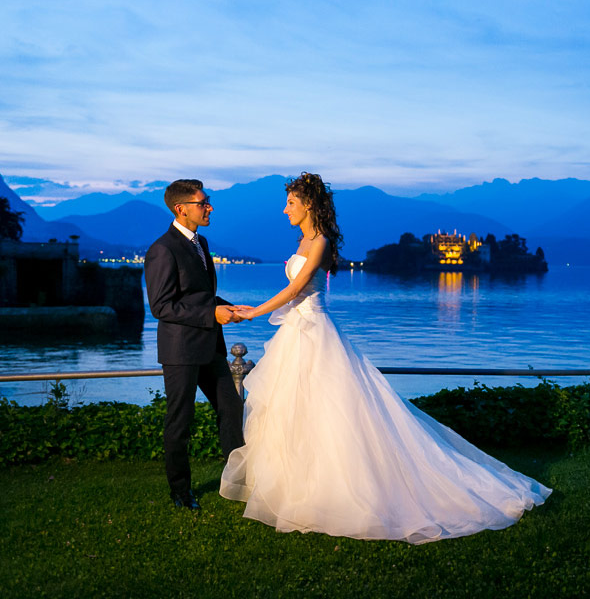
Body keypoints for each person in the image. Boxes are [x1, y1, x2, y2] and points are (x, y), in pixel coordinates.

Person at [220, 173, 551, 544]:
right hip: (296, 332)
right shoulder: (302, 240)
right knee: (295, 408)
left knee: (334, 410)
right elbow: (293, 290)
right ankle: (299, 484)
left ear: (308, 204)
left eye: (291, 203)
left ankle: (340, 489)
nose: (285, 210)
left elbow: (297, 288)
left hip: (315, 331)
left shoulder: (321, 242)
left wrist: (253, 312)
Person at [145, 179, 247, 510]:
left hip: (209, 344)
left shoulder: (200, 243)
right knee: (180, 420)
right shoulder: (162, 249)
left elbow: (199, 295)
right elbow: (162, 306)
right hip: (181, 350)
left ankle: (238, 480)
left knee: (231, 409)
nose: (209, 207)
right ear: (181, 208)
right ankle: (180, 491)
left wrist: (228, 308)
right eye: (203, 203)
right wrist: (211, 312)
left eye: (207, 202)